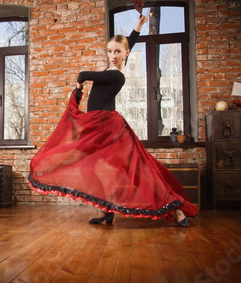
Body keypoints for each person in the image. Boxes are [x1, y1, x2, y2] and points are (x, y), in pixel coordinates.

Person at [29, 16, 199, 227]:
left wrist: (79, 85)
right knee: (87, 167)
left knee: (138, 171)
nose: (112, 55)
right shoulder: (114, 65)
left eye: (117, 51)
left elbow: (82, 74)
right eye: (110, 51)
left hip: (109, 128)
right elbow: (128, 42)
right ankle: (106, 210)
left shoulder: (116, 76)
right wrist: (138, 27)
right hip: (97, 126)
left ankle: (176, 210)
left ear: (126, 54)